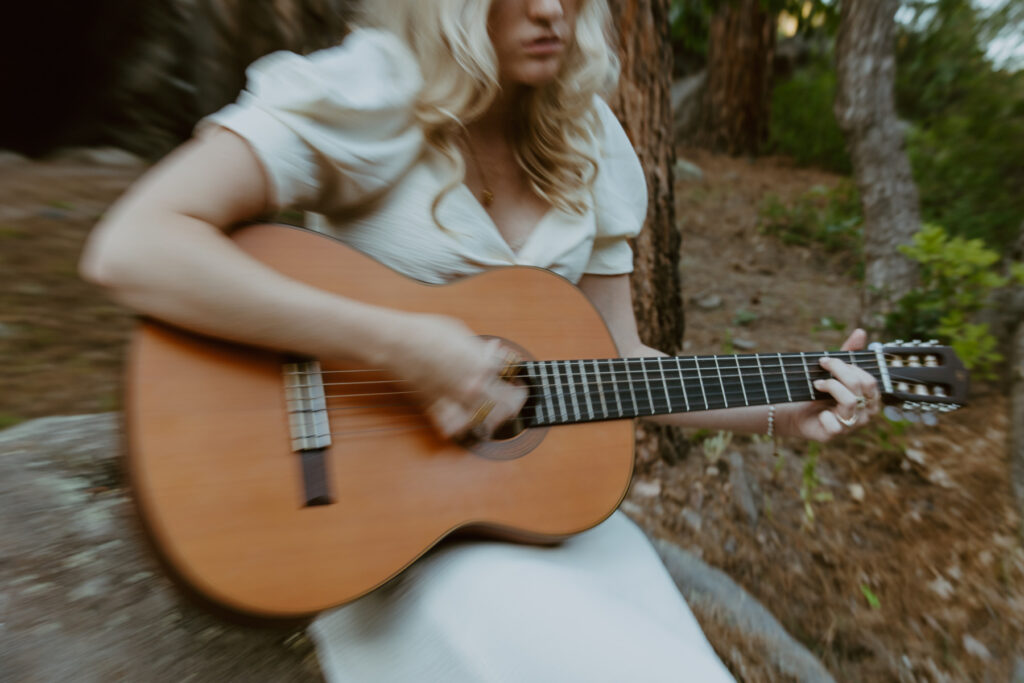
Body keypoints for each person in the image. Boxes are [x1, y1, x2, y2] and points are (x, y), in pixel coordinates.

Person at [80, 0, 880, 680]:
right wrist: (403, 347)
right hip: (371, 529)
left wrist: (788, 407)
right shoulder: (366, 90)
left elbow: (620, 361)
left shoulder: (591, 139)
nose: (552, 11)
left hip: (529, 525)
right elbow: (135, 247)